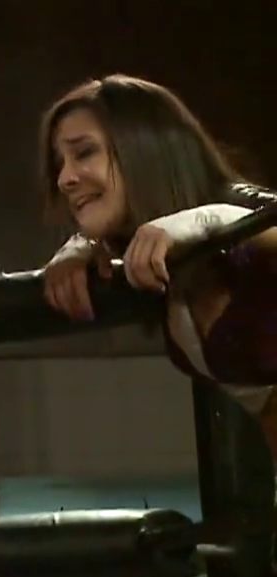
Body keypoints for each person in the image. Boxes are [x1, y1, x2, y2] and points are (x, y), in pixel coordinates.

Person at [37, 74, 276, 455]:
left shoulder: (243, 221)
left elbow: (259, 220)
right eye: (59, 163)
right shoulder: (154, 260)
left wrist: (206, 221)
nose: (65, 178)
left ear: (143, 151)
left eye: (84, 152)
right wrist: (81, 243)